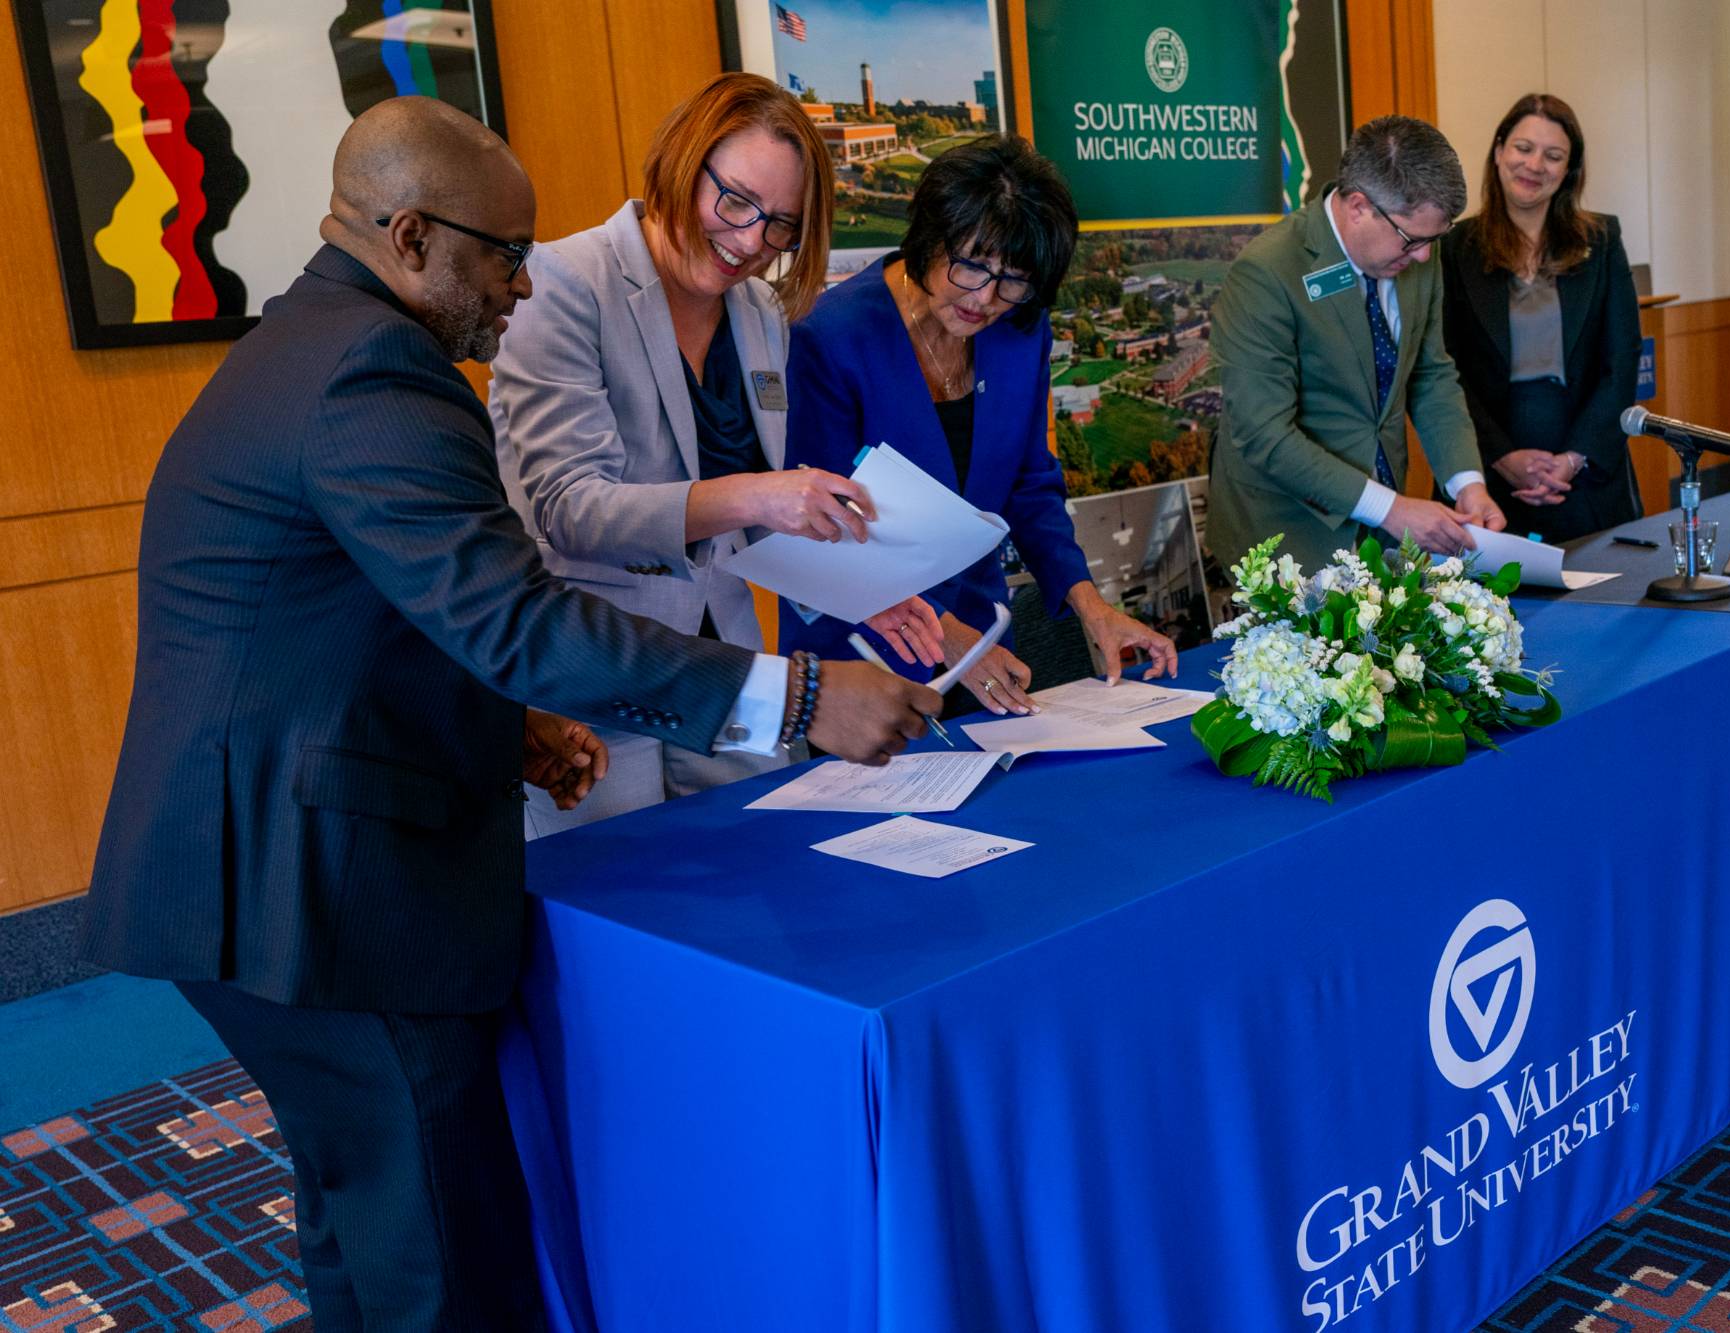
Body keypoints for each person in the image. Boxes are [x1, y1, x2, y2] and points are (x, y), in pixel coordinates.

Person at [79, 97, 940, 1332]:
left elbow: (369, 615)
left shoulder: (316, 342)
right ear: (414, 235)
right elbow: (516, 617)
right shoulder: (374, 378)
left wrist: (514, 725)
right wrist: (798, 693)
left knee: (361, 1218)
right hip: (312, 891)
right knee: (439, 1245)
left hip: (255, 860)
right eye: (503, 256)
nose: (525, 291)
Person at [489, 73, 943, 834]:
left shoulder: (760, 312)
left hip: (731, 677)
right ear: (681, 159)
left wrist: (858, 584)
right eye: (734, 202)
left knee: (763, 887)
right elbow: (569, 508)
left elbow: (753, 535)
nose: (748, 243)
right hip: (596, 688)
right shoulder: (566, 282)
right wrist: (763, 491)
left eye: (781, 229)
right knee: (618, 918)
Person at [780, 135, 1176, 713]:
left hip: (983, 647)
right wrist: (955, 645)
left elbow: (1029, 483)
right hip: (865, 657)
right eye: (972, 266)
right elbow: (824, 530)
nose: (986, 299)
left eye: (1013, 279)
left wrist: (1093, 607)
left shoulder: (1021, 330)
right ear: (928, 240)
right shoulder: (831, 338)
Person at [1206, 115, 1504, 572]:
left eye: (1434, 239)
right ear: (1359, 205)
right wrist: (1394, 509)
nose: (1424, 256)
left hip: (1383, 536)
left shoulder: (1417, 245)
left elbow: (1430, 374)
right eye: (1412, 239)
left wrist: (1468, 483)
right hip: (1289, 537)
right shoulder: (1267, 273)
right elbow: (1264, 436)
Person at [1440, 93, 1641, 541]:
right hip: (1487, 475)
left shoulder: (1602, 240)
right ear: (1498, 152)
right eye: (1523, 148)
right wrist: (1501, 457)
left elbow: (1622, 360)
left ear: (1569, 170)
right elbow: (1444, 370)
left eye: (1553, 156)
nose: (1534, 166)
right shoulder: (1453, 247)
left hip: (1585, 474)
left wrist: (1574, 458)